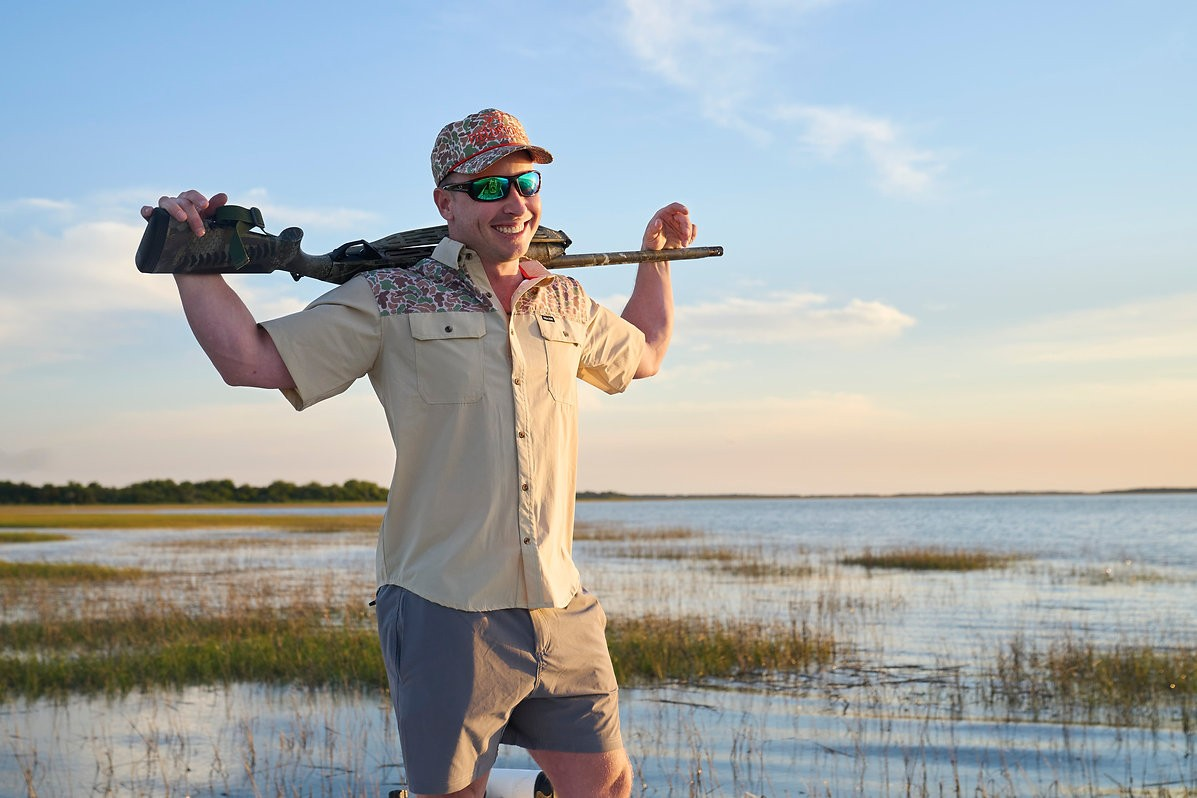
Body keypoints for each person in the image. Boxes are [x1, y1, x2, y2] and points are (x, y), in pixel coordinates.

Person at [143, 108, 696, 798]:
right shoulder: (390, 296)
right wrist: (189, 261)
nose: (515, 203)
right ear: (445, 203)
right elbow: (250, 360)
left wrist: (656, 259)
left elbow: (645, 353)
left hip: (560, 603)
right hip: (446, 607)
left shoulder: (563, 300)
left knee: (608, 785)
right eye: (489, 188)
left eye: (525, 184)